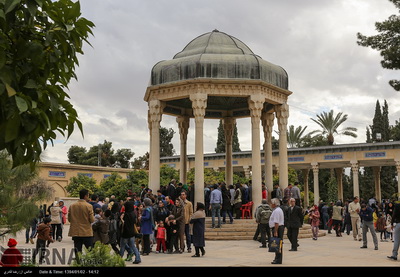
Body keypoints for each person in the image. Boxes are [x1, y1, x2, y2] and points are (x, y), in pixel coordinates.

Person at [68, 189, 95, 262]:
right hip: (86, 232)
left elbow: (69, 219)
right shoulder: (89, 206)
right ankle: (91, 263)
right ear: (86, 196)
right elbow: (92, 220)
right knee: (90, 250)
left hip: (76, 231)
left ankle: (78, 263)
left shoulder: (72, 205)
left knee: (77, 250)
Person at [269, 198, 285, 264]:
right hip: (278, 227)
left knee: (277, 244)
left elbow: (276, 222)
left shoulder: (277, 211)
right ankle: (277, 258)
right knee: (277, 244)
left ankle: (278, 259)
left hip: (277, 228)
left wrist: (275, 231)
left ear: (274, 204)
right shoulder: (277, 210)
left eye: (271, 203)